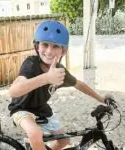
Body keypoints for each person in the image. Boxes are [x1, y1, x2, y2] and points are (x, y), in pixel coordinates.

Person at [8, 20, 116, 150]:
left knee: (64, 141)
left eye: (55, 46)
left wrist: (102, 99)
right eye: (45, 45)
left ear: (63, 51)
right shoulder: (31, 64)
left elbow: (79, 84)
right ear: (37, 46)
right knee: (35, 133)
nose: (49, 51)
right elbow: (13, 92)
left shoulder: (60, 72)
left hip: (41, 109)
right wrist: (46, 78)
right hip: (21, 108)